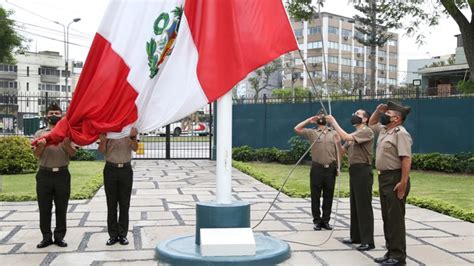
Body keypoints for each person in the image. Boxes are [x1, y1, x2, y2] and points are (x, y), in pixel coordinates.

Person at [368, 101, 412, 266]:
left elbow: (406, 158)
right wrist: (377, 111)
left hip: (395, 179)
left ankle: (398, 257)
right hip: (384, 178)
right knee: (387, 218)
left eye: (389, 113)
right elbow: (372, 123)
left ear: (397, 118)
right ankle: (390, 251)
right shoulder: (386, 130)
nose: (386, 114)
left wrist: (403, 182)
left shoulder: (401, 133)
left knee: (395, 220)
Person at [326, 110, 375, 251]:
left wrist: (333, 122)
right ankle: (356, 237)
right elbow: (342, 152)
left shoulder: (367, 131)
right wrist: (337, 142)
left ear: (365, 119)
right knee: (355, 205)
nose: (354, 115)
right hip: (354, 171)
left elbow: (346, 136)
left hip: (363, 171)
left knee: (364, 206)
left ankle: (368, 241)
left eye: (358, 114)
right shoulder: (354, 135)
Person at [33, 103, 76, 248]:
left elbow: (73, 153)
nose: (54, 115)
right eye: (51, 113)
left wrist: (66, 144)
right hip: (44, 174)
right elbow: (35, 154)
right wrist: (41, 145)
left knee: (61, 207)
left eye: (57, 113)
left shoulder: (67, 132)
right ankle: (46, 237)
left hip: (62, 174)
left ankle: (59, 237)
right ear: (46, 115)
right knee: (44, 208)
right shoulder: (40, 133)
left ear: (62, 115)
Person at [294, 111, 341, 231]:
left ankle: (326, 221)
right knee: (315, 196)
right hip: (317, 168)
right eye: (319, 116)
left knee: (328, 196)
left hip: (330, 168)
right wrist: (309, 120)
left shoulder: (334, 133)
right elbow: (297, 128)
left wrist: (338, 167)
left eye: (323, 116)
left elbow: (338, 151)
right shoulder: (312, 133)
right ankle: (317, 221)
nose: (321, 118)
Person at [98, 127, 138, 245]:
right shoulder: (108, 129)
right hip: (110, 169)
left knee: (125, 204)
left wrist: (133, 137)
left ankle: (123, 235)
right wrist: (103, 139)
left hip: (125, 169)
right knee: (111, 204)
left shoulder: (130, 130)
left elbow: (135, 148)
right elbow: (101, 151)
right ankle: (113, 235)